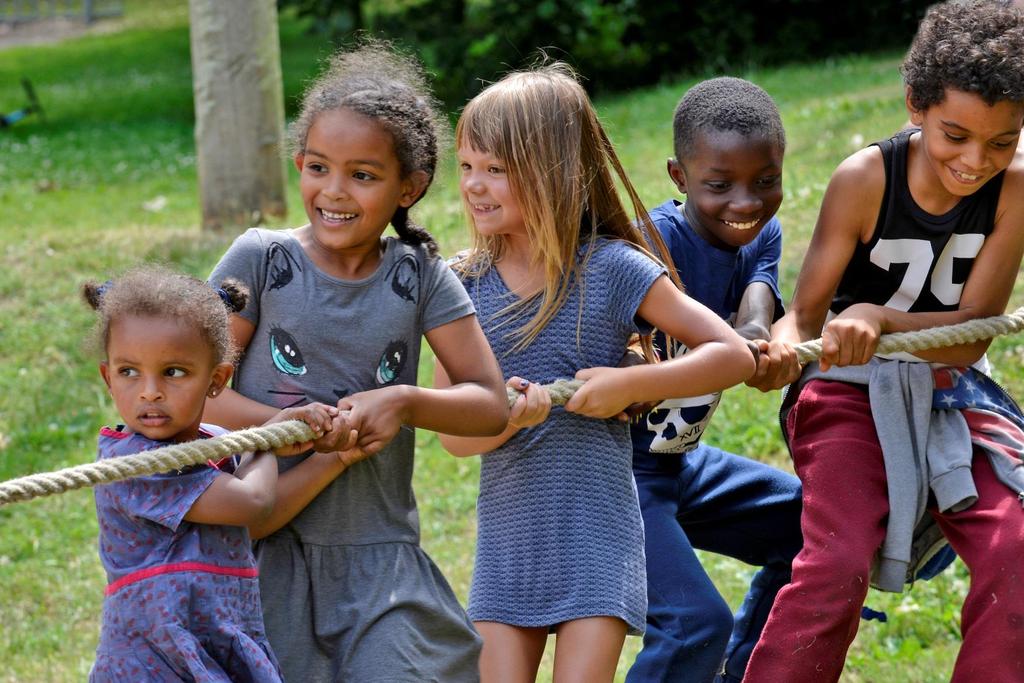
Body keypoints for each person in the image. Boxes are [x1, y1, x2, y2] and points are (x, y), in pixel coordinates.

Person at [434, 63, 757, 683]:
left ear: (553, 170)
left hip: (597, 541)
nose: (474, 185)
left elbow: (731, 354)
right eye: (467, 165)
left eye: (496, 169)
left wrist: (631, 385)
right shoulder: (462, 285)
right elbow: (455, 437)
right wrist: (505, 420)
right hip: (509, 549)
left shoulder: (613, 269)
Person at [203, 42, 509, 682]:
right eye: (319, 168)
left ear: (410, 187)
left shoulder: (420, 276)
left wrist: (404, 401)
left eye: (363, 175)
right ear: (299, 164)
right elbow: (202, 396)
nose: (334, 192)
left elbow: (488, 403)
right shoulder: (261, 259)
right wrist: (300, 425)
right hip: (263, 550)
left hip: (378, 560)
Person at [744, 2, 1024, 681]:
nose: (974, 160)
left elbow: (968, 334)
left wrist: (880, 316)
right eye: (955, 135)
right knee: (836, 564)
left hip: (953, 391)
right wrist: (777, 350)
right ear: (915, 106)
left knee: (1018, 545)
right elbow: (805, 316)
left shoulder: (1015, 191)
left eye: (1001, 141)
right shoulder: (864, 179)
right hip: (844, 392)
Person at [625, 77, 803, 683]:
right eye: (719, 185)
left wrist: (763, 347)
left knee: (813, 532)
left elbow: (755, 316)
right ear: (679, 177)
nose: (746, 203)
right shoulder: (648, 244)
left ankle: (744, 673)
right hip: (613, 477)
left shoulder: (762, 237)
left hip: (678, 464)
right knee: (696, 621)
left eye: (766, 181)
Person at [84, 266, 338, 682]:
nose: (149, 391)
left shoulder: (218, 441)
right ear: (108, 378)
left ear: (216, 380)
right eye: (129, 371)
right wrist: (267, 442)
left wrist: (264, 438)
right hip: (154, 658)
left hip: (214, 639)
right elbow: (250, 502)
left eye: (174, 372)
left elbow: (251, 486)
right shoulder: (132, 462)